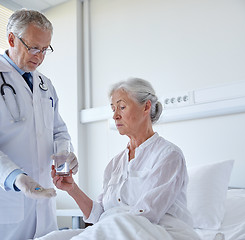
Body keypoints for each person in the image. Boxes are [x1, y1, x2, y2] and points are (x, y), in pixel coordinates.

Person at [0, 9, 78, 240]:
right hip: (2, 204)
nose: (39, 56)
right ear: (12, 39)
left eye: (45, 50)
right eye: (34, 47)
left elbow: (58, 131)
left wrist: (65, 154)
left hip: (43, 205)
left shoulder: (45, 84)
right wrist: (16, 178)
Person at [47, 78, 200, 239]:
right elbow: (99, 216)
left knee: (116, 223)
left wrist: (107, 224)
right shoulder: (114, 164)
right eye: (113, 109)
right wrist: (72, 189)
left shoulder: (168, 155)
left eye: (121, 107)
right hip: (117, 229)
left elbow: (147, 215)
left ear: (146, 106)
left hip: (160, 232)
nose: (115, 116)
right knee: (54, 237)